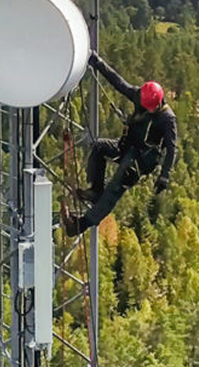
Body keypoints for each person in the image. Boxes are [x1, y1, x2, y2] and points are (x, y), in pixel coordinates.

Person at [61, 50, 178, 236]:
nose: (149, 110)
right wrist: (97, 62)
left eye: (151, 108)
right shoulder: (140, 97)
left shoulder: (167, 118)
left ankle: (80, 225)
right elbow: (118, 82)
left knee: (116, 185)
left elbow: (172, 148)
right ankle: (95, 191)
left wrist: (165, 176)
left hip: (141, 160)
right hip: (126, 146)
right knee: (99, 147)